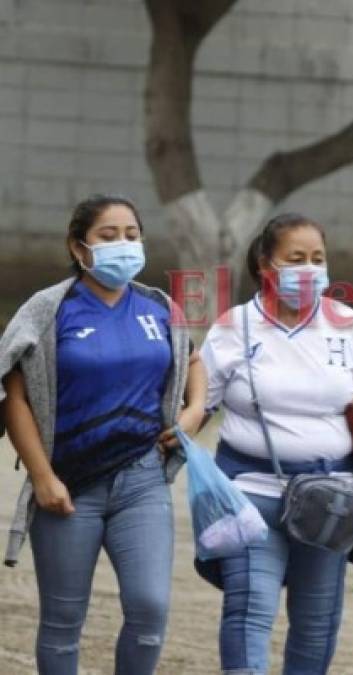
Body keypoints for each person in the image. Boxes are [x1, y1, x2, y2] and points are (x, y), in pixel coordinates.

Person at [0, 194, 206, 675]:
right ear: (79, 247)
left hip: (142, 480)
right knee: (63, 621)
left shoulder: (158, 306)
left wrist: (194, 411)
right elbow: (16, 401)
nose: (124, 246)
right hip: (69, 487)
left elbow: (193, 358)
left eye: (132, 236)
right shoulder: (49, 310)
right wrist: (43, 478)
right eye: (108, 236)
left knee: (150, 608)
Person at [199, 212, 353, 675]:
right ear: (265, 264)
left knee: (316, 624)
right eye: (296, 259)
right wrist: (167, 445)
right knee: (248, 609)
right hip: (248, 494)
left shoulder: (348, 326)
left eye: (318, 258)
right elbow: (197, 409)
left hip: (332, 499)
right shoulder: (232, 328)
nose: (309, 269)